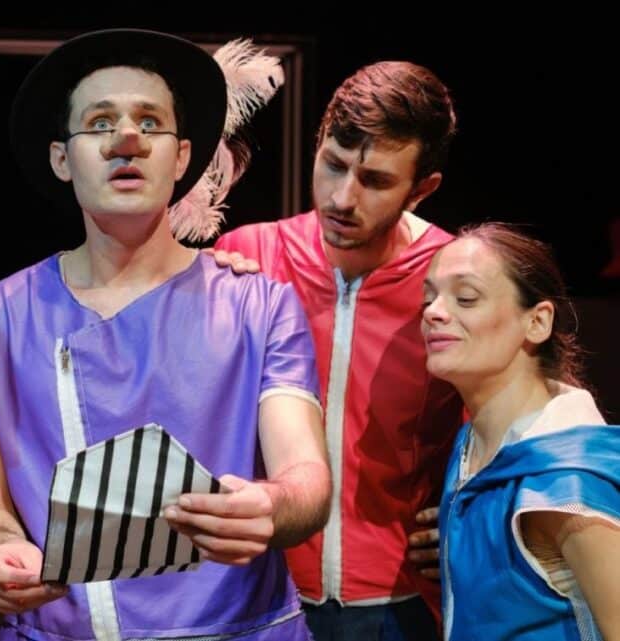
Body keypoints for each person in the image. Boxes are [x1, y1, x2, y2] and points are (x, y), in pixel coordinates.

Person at [0, 28, 330, 640]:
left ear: (181, 158)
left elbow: (306, 473)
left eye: (149, 123)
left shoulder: (259, 305)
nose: (127, 139)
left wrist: (270, 504)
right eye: (100, 123)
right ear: (61, 159)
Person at [214, 60, 464, 639]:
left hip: (399, 604)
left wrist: (473, 516)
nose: (343, 197)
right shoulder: (247, 258)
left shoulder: (455, 279)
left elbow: (509, 421)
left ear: (422, 190)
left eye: (375, 180)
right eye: (333, 164)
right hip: (260, 594)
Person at [422, 223, 620, 640]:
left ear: (537, 322)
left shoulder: (568, 483)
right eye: (429, 297)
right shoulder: (473, 444)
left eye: (466, 298)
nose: (433, 312)